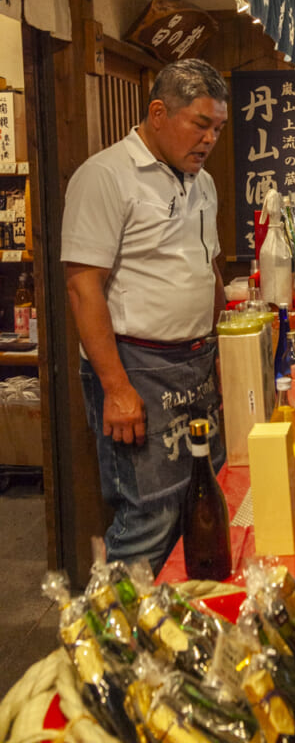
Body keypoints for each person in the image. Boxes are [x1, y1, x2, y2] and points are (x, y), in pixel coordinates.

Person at [61, 58, 229, 575]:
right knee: (150, 514)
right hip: (135, 369)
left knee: (203, 497)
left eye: (217, 129)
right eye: (200, 124)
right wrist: (115, 388)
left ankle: (180, 635)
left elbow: (209, 269)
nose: (209, 140)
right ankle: (113, 645)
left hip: (195, 364)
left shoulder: (201, 183)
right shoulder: (105, 176)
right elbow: (81, 285)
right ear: (158, 113)